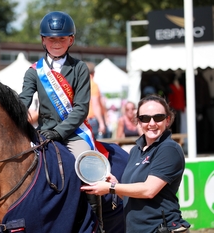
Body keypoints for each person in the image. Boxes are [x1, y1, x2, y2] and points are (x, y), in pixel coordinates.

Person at [81, 94, 191, 233]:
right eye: (145, 118)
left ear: (167, 120)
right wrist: (115, 183)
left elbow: (149, 190)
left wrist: (111, 188)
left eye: (158, 117)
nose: (151, 123)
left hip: (161, 228)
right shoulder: (135, 151)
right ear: (138, 121)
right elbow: (130, 196)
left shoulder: (169, 148)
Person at [19, 11, 92, 158]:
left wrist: (59, 132)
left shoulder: (80, 68)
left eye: (62, 38)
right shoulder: (34, 72)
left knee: (85, 161)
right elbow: (23, 102)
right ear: (43, 40)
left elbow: (81, 108)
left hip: (74, 134)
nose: (57, 43)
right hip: (44, 132)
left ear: (71, 40)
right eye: (51, 39)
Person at [85, 61, 109, 139]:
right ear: (93, 72)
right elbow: (95, 105)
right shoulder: (93, 84)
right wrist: (102, 123)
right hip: (93, 119)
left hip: (84, 119)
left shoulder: (80, 84)